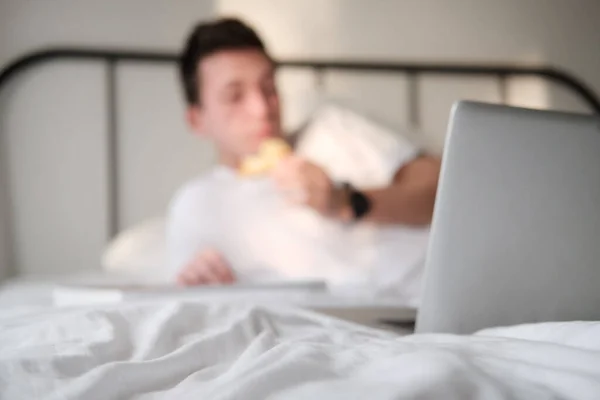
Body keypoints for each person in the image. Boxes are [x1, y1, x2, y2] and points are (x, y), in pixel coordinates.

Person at [167, 17, 441, 304]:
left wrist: (346, 201)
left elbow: (445, 188)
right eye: (235, 96)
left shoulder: (332, 129)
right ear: (197, 120)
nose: (262, 109)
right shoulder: (197, 204)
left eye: (269, 87)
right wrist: (200, 282)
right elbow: (188, 299)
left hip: (431, 302)